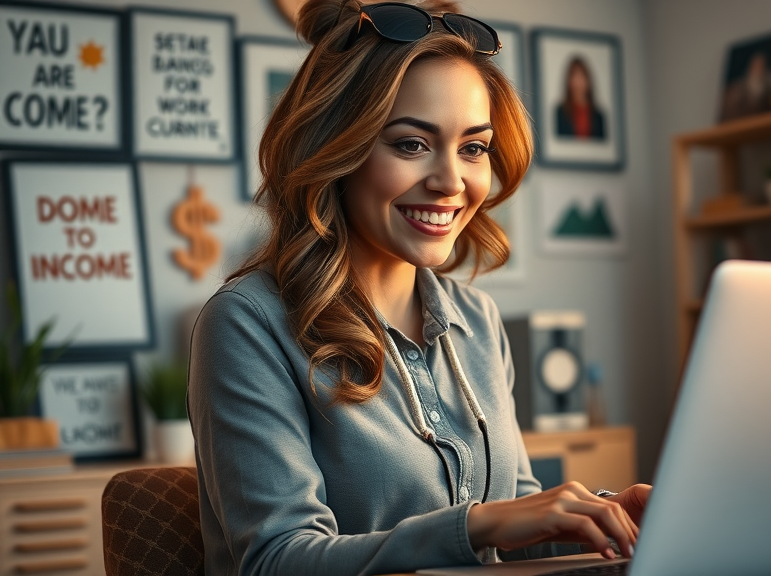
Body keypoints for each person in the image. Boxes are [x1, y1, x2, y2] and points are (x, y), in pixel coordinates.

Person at [187, 1, 651, 574]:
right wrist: (479, 523)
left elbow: (518, 521)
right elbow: (276, 558)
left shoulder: (477, 319)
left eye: (473, 148)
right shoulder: (247, 324)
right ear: (336, 149)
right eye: (411, 143)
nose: (451, 181)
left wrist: (605, 516)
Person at [554, 56, 607, 140]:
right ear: (569, 81)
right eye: (574, 76)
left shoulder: (598, 116)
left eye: (581, 76)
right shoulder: (560, 112)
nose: (578, 82)